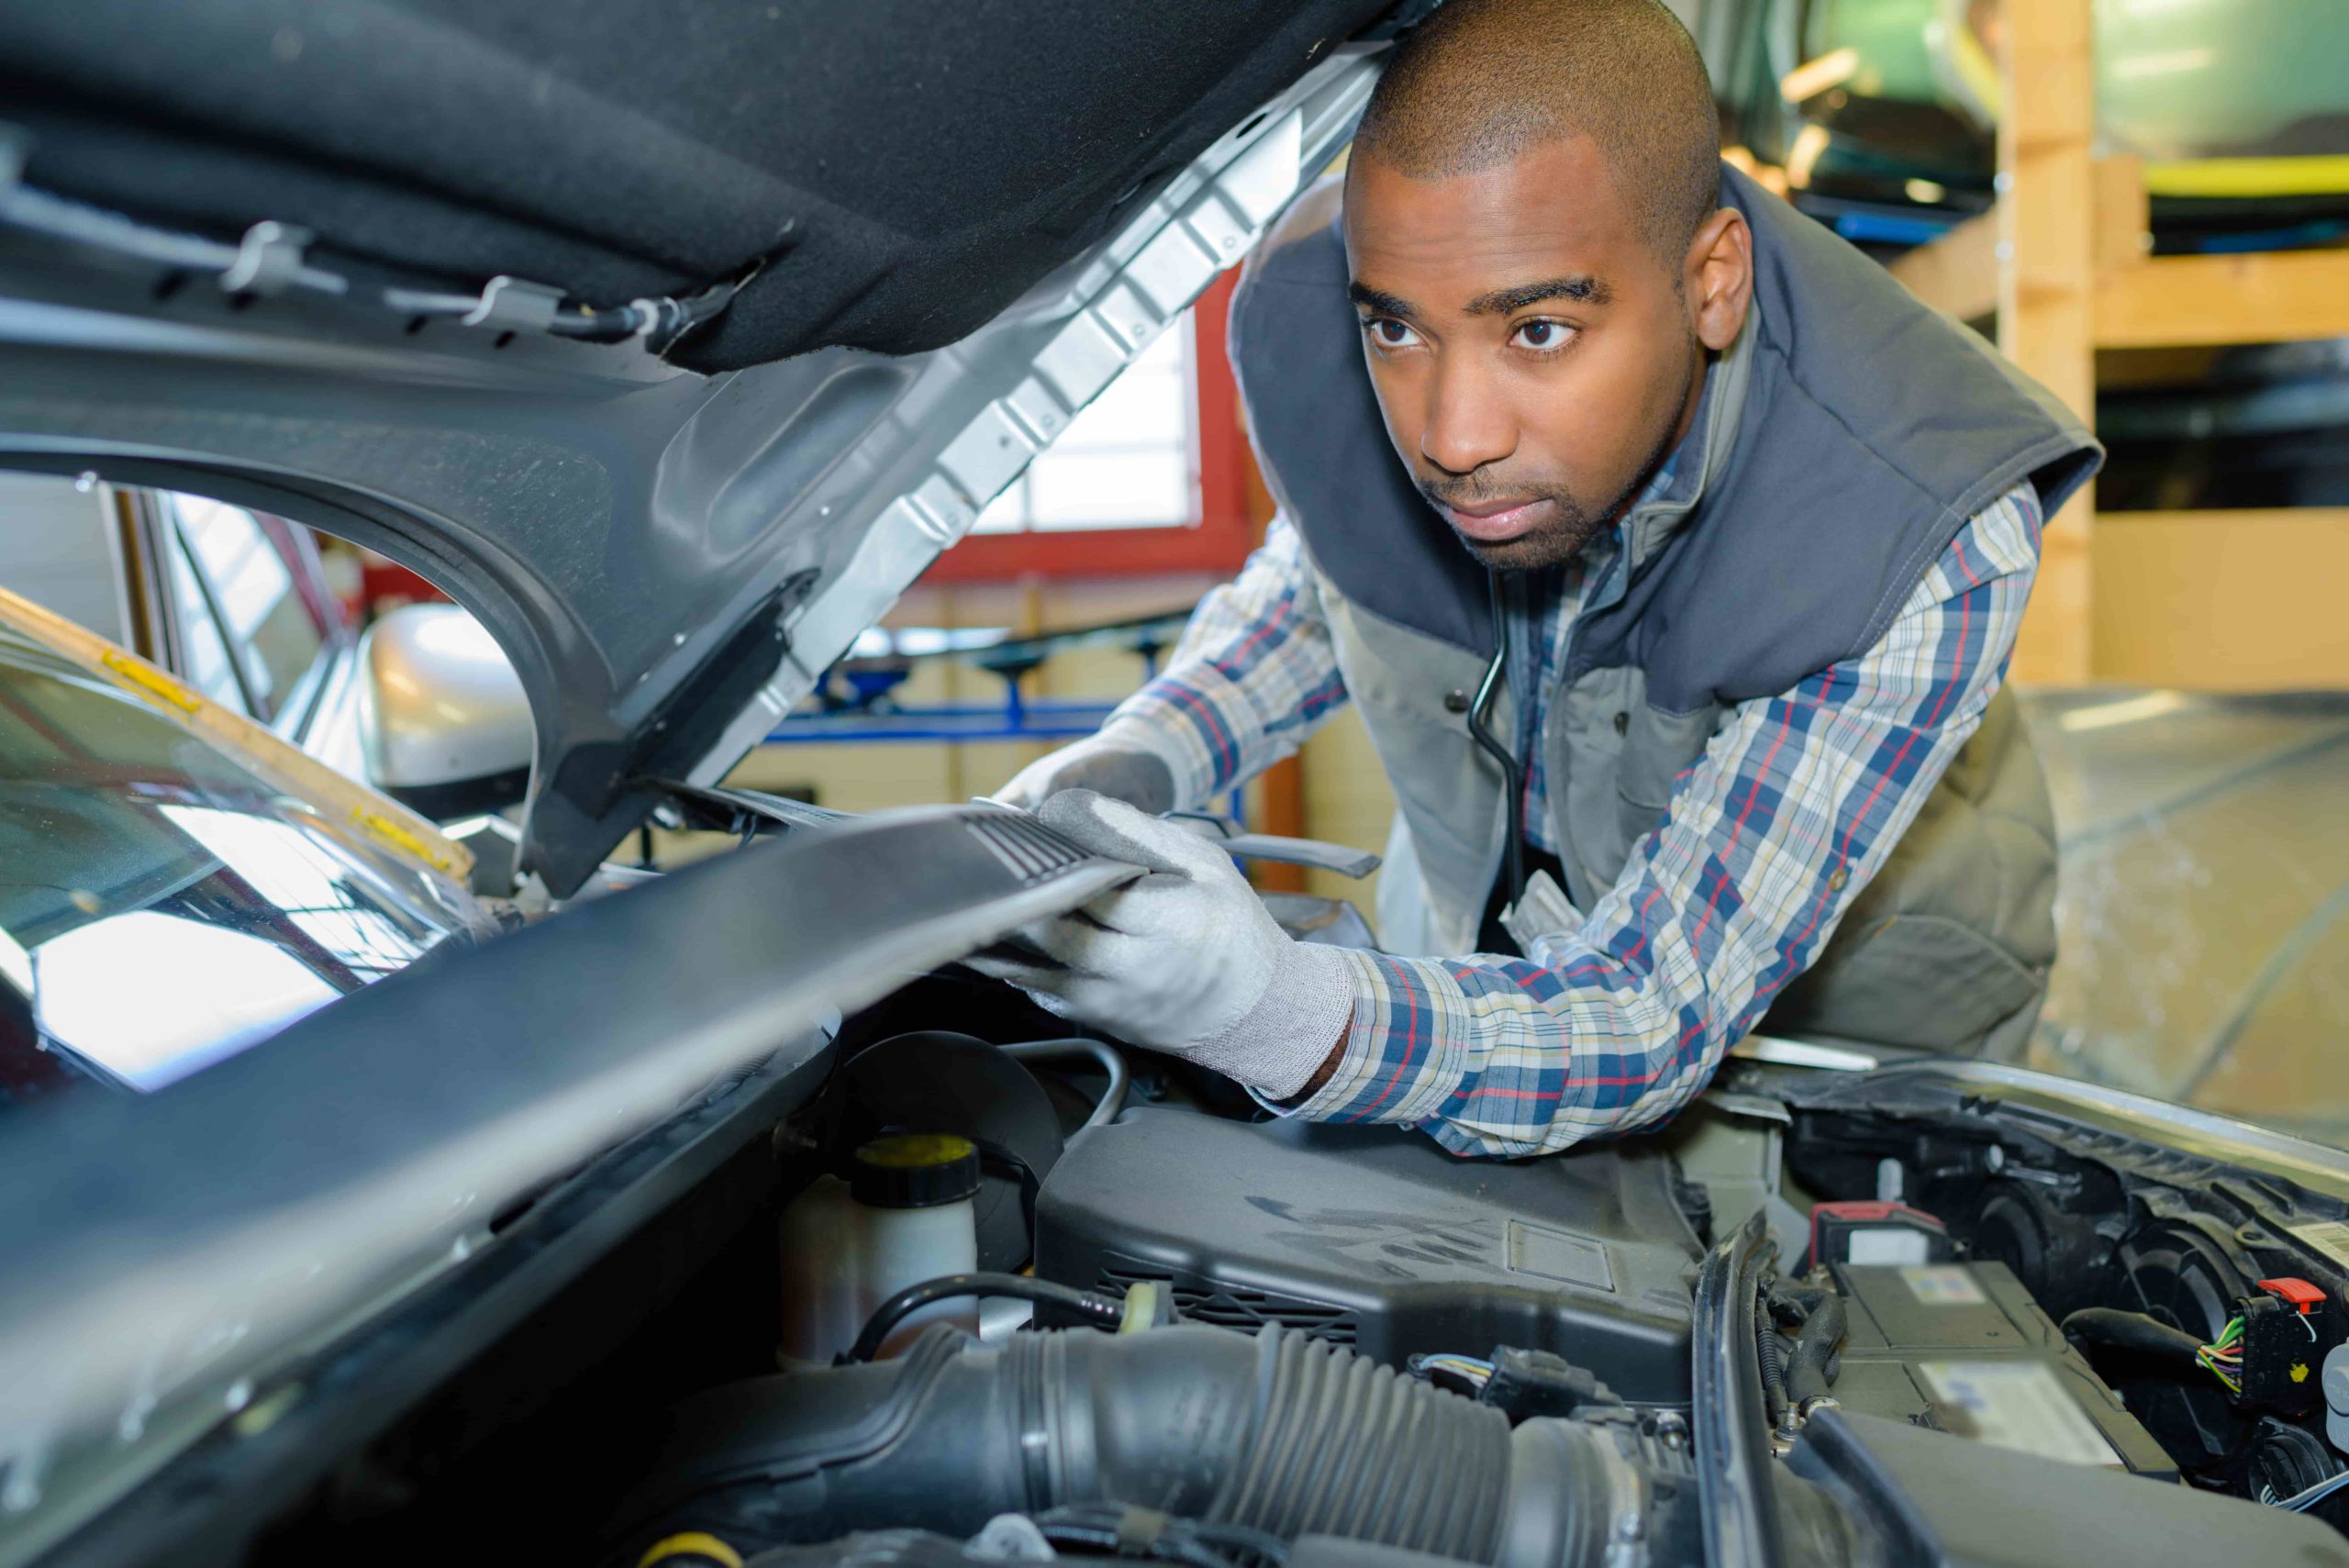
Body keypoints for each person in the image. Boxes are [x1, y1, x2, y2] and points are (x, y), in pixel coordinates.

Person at [969, 0, 2099, 1157]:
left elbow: (1655, 1004)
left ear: (1712, 284)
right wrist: (1136, 756)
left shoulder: (1922, 523)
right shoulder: (1322, 323)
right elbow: (1321, 593)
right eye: (1399, 333)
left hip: (1824, 1069)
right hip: (1472, 956)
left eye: (1540, 332)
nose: (1453, 439)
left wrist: (1268, 1011)